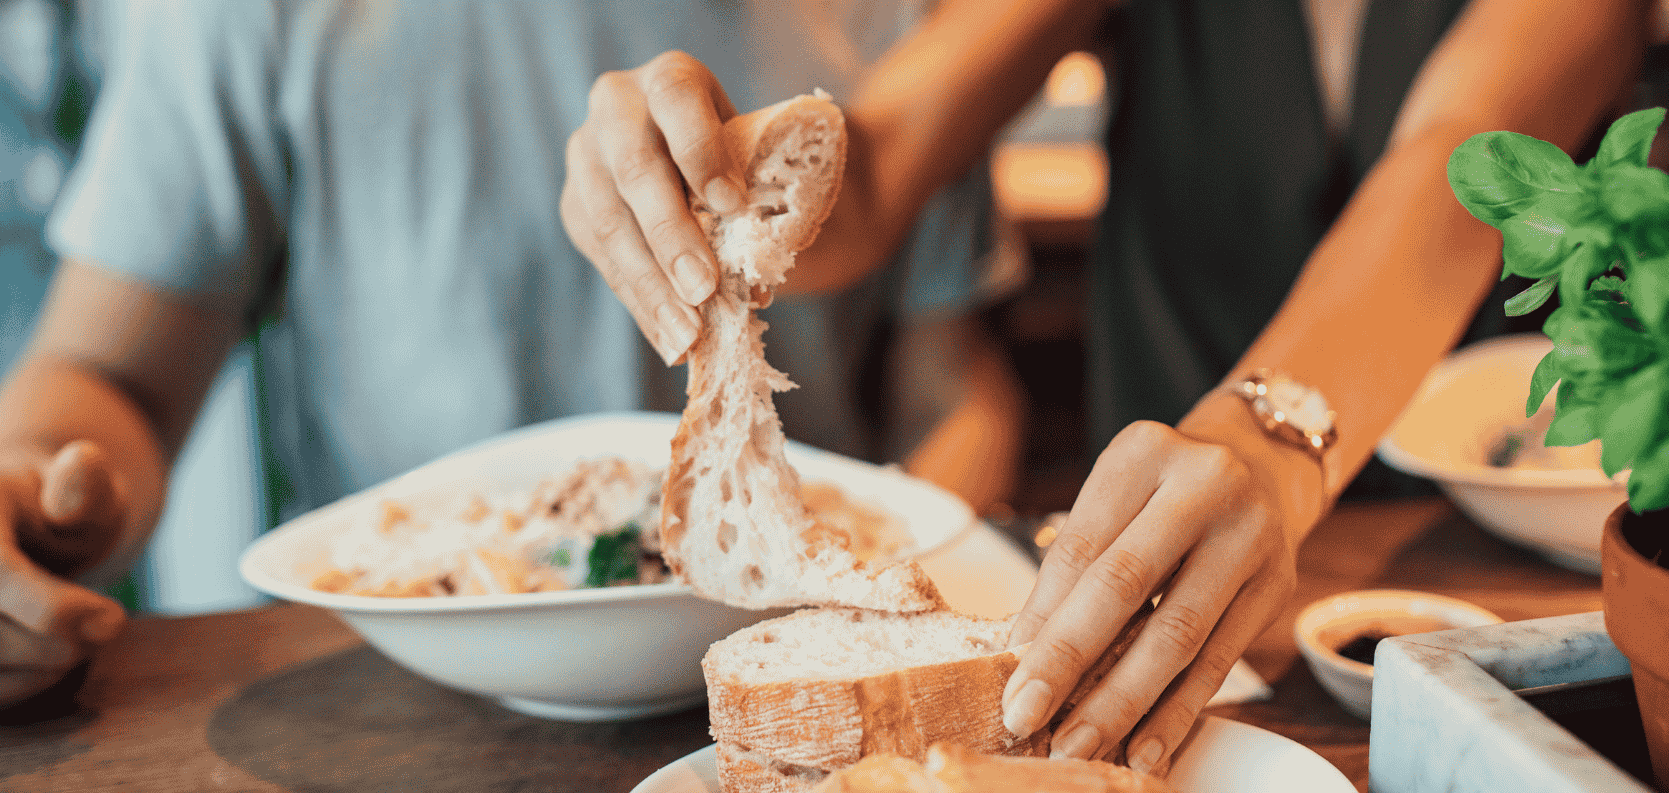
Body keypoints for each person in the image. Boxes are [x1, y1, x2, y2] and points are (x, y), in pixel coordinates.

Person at [563, 0, 1669, 777]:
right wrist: (716, 154)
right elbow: (882, 161)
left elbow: (1449, 181)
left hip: (1461, 579)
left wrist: (1262, 445)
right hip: (1138, 575)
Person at [0, 0, 1022, 709]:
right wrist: (32, 500)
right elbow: (106, 377)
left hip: (790, 664)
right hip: (402, 691)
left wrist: (913, 591)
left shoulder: (906, 30)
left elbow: (950, 382)